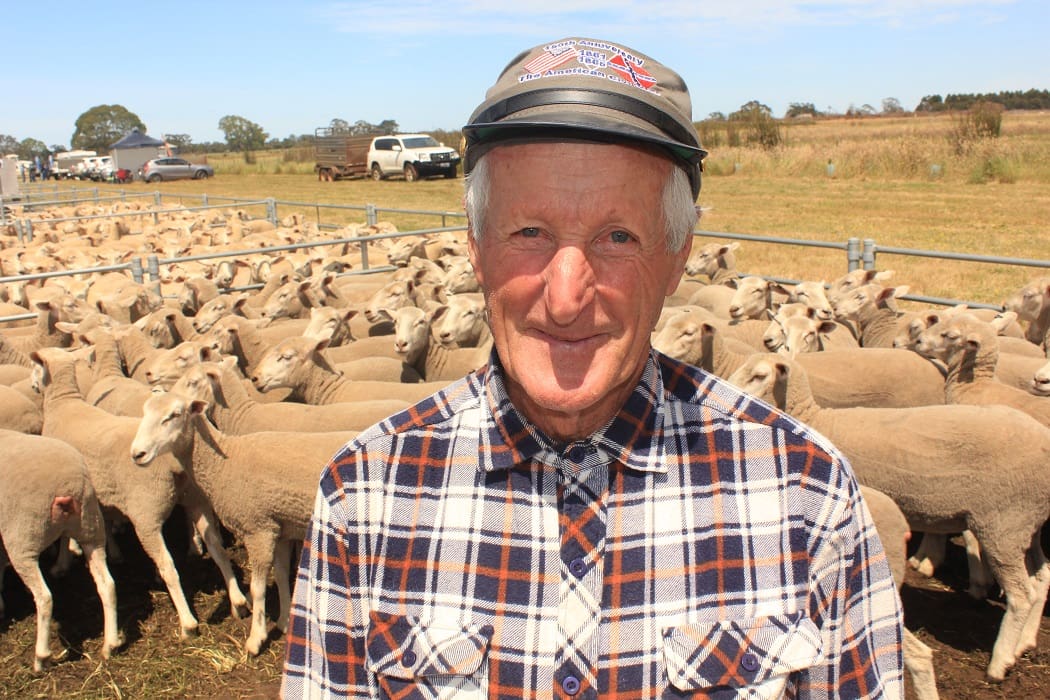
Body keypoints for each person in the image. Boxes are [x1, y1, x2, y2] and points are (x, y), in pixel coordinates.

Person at [282, 37, 904, 699]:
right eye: (530, 233)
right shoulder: (366, 496)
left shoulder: (805, 494)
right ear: (476, 249)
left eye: (617, 237)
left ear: (675, 258)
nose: (566, 295)